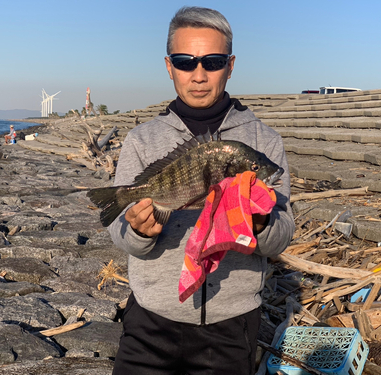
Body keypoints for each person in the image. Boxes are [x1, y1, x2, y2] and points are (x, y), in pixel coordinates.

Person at [107, 6, 295, 375]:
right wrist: (138, 231)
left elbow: (282, 236)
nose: (198, 75)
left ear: (230, 64)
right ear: (168, 65)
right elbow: (120, 233)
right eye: (184, 61)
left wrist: (259, 224)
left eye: (212, 61)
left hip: (232, 325)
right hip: (150, 321)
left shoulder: (263, 142)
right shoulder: (142, 140)